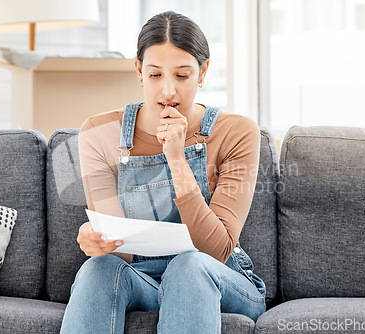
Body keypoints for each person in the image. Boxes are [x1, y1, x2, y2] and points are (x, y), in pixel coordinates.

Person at [60, 11, 266, 334]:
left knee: (189, 265)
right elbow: (122, 253)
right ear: (139, 71)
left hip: (219, 276)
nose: (168, 92)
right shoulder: (99, 133)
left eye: (182, 76)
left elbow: (217, 249)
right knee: (97, 269)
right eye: (155, 75)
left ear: (203, 71)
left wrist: (177, 160)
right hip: (142, 278)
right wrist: (99, 240)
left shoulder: (238, 132)